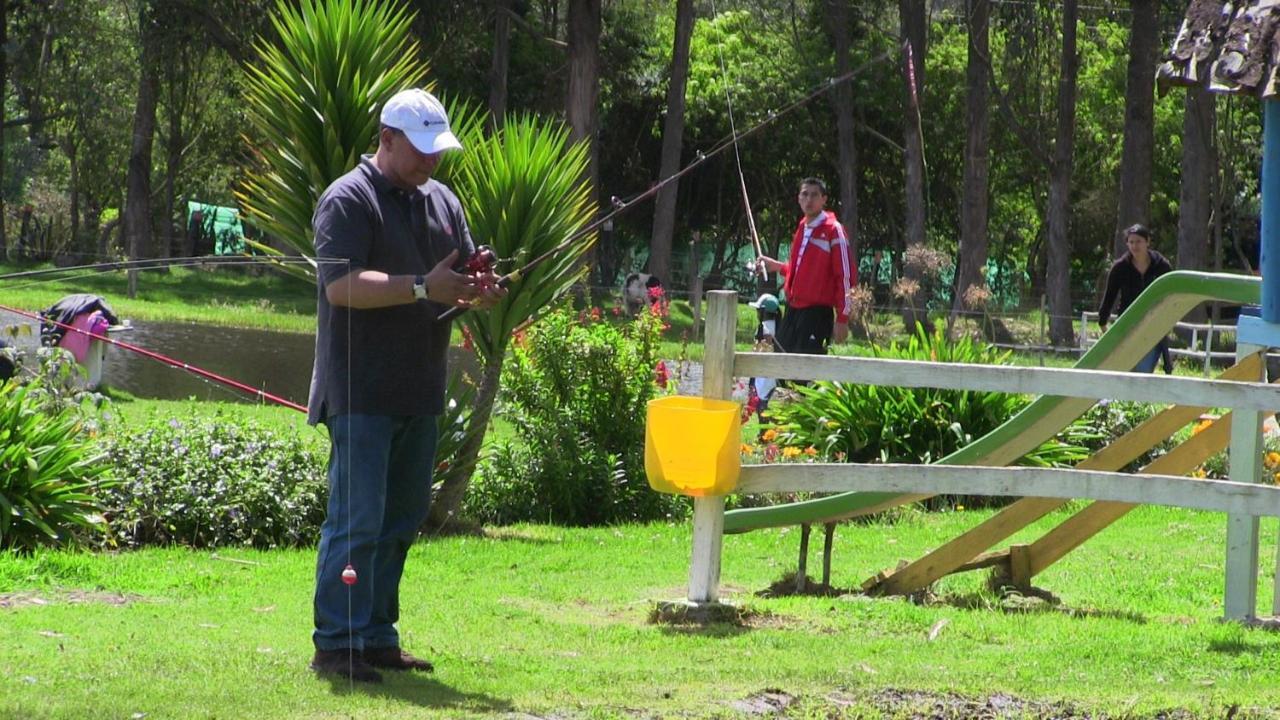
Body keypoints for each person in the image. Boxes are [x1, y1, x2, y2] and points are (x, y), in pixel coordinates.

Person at [307, 88, 505, 684]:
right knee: (356, 519)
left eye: (438, 151)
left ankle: (376, 635)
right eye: (421, 151)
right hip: (359, 388)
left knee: (400, 519)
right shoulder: (347, 199)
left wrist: (479, 285)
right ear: (386, 139)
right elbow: (342, 288)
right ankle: (336, 642)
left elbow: (459, 274)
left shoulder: (442, 199)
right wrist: (423, 286)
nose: (431, 163)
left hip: (420, 387)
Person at [755, 178, 855, 354]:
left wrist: (842, 318)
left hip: (817, 313)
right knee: (782, 363)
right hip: (793, 309)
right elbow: (800, 270)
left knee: (805, 373)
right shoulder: (803, 227)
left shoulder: (834, 230)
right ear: (798, 198)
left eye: (814, 195)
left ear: (824, 199)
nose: (809, 200)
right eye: (805, 194)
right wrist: (776, 266)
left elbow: (845, 276)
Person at [1098, 223, 1174, 374]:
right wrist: (1103, 323)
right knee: (1124, 369)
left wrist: (1168, 320)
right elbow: (1109, 297)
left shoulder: (1162, 266)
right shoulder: (1120, 268)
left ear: (1147, 242)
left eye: (1138, 241)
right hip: (1127, 324)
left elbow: (1172, 294)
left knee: (1143, 371)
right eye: (1131, 242)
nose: (1135, 246)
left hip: (1153, 324)